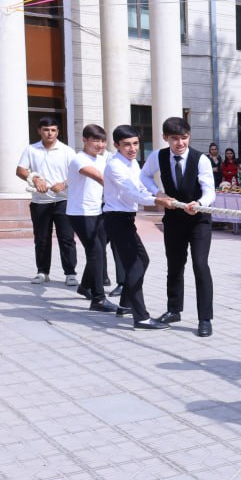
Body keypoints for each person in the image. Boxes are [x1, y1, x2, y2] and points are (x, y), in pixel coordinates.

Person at [141, 117, 216, 338]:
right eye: (175, 138)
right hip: (173, 220)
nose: (180, 143)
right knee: (174, 265)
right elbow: (143, 175)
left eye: (184, 138)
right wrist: (158, 193)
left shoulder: (200, 159)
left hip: (199, 220)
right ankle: (174, 310)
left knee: (200, 265)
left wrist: (199, 203)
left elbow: (210, 191)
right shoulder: (158, 156)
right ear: (165, 138)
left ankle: (205, 319)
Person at [102, 125, 175, 330]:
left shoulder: (132, 163)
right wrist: (157, 201)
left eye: (135, 143)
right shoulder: (115, 166)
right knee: (135, 265)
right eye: (127, 144)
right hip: (116, 219)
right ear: (116, 145)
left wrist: (159, 194)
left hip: (126, 219)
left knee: (142, 260)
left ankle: (125, 304)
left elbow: (141, 185)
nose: (133, 148)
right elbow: (132, 193)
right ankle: (141, 317)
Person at [16, 117, 78, 286]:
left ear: (57, 132)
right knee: (41, 239)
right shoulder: (31, 149)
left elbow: (77, 174)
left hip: (63, 201)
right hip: (39, 202)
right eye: (46, 130)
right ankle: (42, 272)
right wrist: (34, 178)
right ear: (39, 131)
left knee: (67, 239)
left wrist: (64, 184)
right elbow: (20, 170)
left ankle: (70, 274)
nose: (49, 133)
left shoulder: (67, 151)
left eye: (53, 130)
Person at [65, 123, 118, 313]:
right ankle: (98, 298)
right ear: (84, 140)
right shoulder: (79, 159)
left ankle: (85, 286)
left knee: (98, 250)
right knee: (95, 251)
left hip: (98, 211)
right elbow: (100, 178)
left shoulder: (102, 159)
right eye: (95, 140)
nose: (100, 145)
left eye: (103, 141)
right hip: (81, 213)